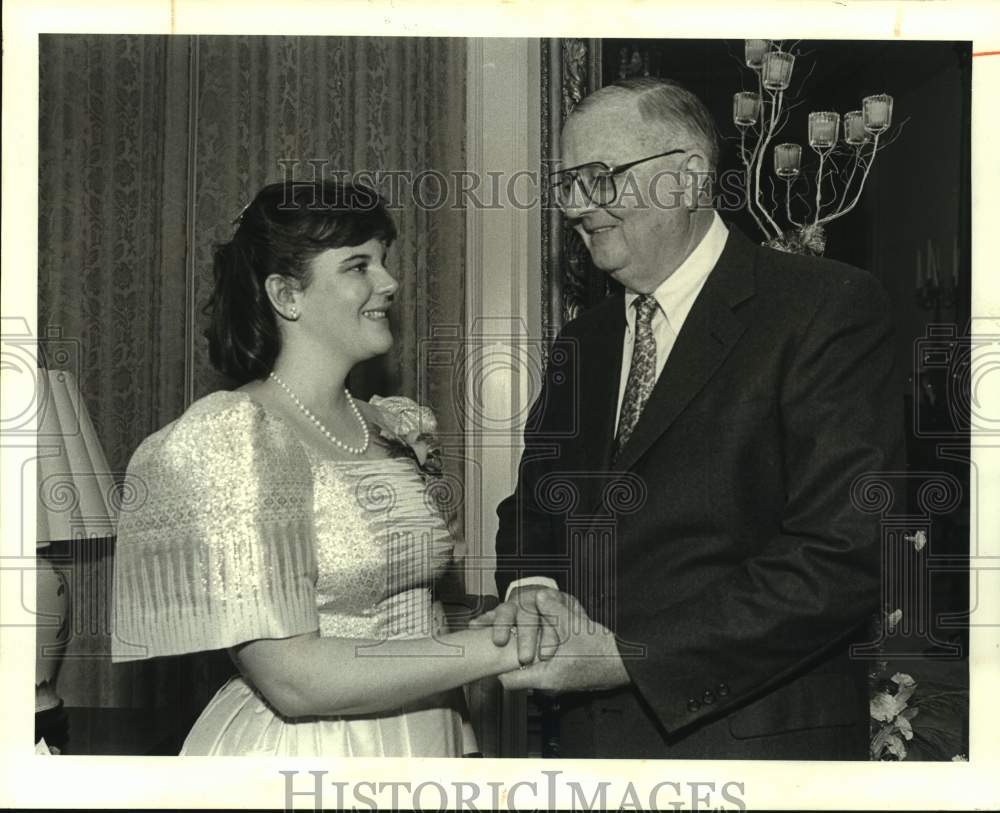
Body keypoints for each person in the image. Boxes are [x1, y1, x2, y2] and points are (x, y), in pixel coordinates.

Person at [490, 78, 903, 759]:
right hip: (587, 751)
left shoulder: (824, 309)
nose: (576, 206)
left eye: (600, 178)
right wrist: (534, 588)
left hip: (756, 751)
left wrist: (627, 656)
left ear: (686, 179)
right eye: (568, 183)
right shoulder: (584, 341)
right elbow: (535, 506)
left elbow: (845, 554)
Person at [111, 180, 524, 756]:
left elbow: (414, 612)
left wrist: (503, 619)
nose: (389, 282)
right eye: (358, 266)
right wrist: (506, 649)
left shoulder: (388, 423)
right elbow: (294, 681)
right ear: (286, 295)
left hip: (429, 732)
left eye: (384, 260)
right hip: (310, 754)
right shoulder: (233, 437)